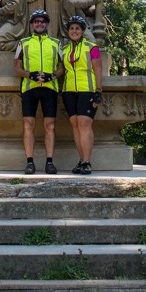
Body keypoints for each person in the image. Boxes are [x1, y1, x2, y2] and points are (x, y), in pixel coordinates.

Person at [14, 9, 63, 174]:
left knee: (50, 125)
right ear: (32, 24)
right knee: (29, 124)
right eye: (36, 21)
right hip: (29, 88)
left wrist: (53, 75)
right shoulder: (23, 42)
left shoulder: (56, 43)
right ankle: (29, 162)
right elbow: (16, 67)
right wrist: (30, 75)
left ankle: (49, 161)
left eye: (42, 21)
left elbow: (62, 67)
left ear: (47, 24)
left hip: (50, 88)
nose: (39, 24)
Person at [61, 15, 103, 175]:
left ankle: (87, 161)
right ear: (68, 31)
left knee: (84, 123)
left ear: (83, 31)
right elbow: (61, 70)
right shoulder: (64, 50)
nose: (74, 31)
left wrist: (99, 91)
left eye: (77, 28)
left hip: (87, 89)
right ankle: (81, 160)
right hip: (69, 90)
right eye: (71, 28)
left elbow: (98, 69)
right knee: (75, 125)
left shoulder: (92, 47)